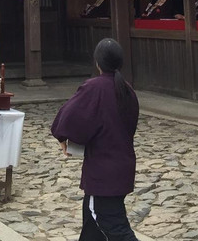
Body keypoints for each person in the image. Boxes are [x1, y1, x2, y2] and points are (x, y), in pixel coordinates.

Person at [51, 38, 140, 241]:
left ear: (97, 62)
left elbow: (71, 116)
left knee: (115, 228)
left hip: (103, 172)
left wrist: (63, 136)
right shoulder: (127, 90)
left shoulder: (95, 88)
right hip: (122, 166)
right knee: (93, 227)